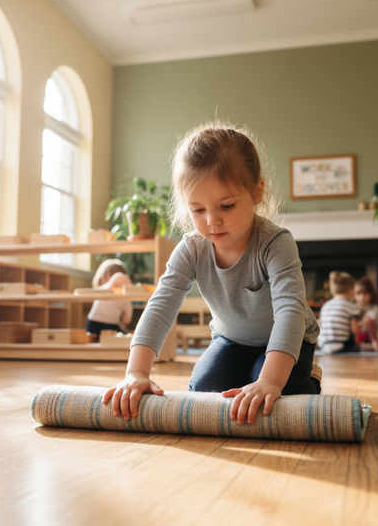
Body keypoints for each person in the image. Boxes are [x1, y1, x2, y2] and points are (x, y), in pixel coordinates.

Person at [102, 122, 321, 425]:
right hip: (232, 339)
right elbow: (161, 305)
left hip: (289, 339)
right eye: (197, 210)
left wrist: (270, 380)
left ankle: (309, 376)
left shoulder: (275, 243)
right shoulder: (192, 248)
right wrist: (136, 373)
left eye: (226, 205)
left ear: (257, 191)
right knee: (205, 391)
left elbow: (290, 312)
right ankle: (256, 372)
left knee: (277, 396)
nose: (212, 221)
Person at [85, 259, 133, 341]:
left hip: (92, 326)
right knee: (125, 337)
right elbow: (126, 320)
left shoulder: (102, 289)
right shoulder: (125, 297)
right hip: (111, 328)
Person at [317, 270, 359, 354]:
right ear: (351, 290)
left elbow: (319, 324)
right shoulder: (352, 306)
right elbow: (354, 329)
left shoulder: (325, 306)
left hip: (323, 345)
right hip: (341, 345)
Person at [354, 276, 378, 352]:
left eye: (365, 293)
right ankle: (363, 347)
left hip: (372, 340)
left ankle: (373, 346)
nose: (362, 297)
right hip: (358, 341)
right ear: (354, 295)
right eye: (359, 293)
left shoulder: (375, 308)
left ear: (371, 294)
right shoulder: (353, 308)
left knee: (371, 321)